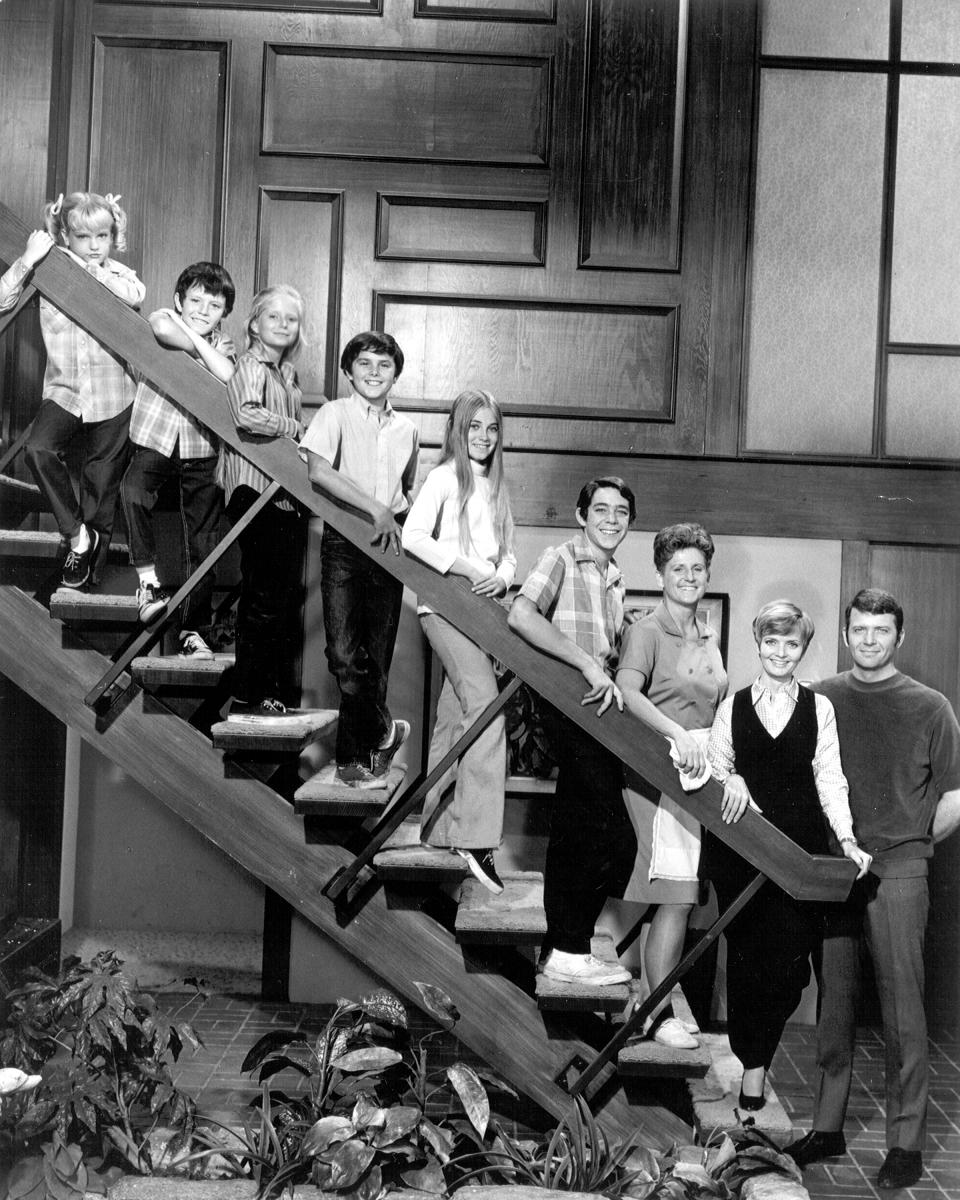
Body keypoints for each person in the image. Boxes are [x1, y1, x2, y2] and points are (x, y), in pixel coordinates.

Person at [784, 589, 960, 1190]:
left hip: (900, 874)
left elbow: (955, 800)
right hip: (834, 872)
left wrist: (906, 842)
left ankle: (905, 1143)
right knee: (834, 1007)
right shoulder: (819, 698)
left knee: (903, 1013)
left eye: (880, 630)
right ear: (845, 631)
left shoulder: (932, 707)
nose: (868, 639)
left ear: (898, 638)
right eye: (859, 628)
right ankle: (828, 1127)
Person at [704, 600, 871, 1110]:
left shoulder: (819, 708)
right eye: (771, 642)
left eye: (791, 643)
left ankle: (755, 1063)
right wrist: (730, 776)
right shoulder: (731, 705)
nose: (781, 652)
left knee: (788, 969)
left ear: (803, 648)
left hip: (799, 858)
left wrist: (845, 840)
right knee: (751, 961)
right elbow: (713, 768)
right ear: (758, 645)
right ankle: (752, 1073)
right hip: (743, 852)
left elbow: (830, 778)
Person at [508, 477, 637, 986]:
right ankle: (567, 946)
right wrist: (586, 663)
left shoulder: (616, 578)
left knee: (593, 826)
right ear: (581, 515)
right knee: (594, 824)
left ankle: (564, 946)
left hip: (595, 712)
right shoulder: (562, 555)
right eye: (600, 509)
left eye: (621, 511)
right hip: (564, 699)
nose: (611, 518)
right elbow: (522, 614)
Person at [616, 523, 727, 1049]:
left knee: (680, 899)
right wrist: (676, 732)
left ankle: (645, 1002)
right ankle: (657, 1015)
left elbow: (714, 703)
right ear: (660, 573)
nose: (688, 576)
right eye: (677, 567)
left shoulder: (706, 633)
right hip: (658, 771)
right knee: (676, 895)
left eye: (697, 568)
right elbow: (627, 693)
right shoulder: (645, 630)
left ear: (707, 574)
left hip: (700, 775)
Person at [402, 389, 517, 894]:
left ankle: (438, 829)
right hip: (445, 608)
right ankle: (476, 839)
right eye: (474, 428)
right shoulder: (445, 477)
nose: (483, 438)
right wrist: (469, 568)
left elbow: (509, 553)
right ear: (457, 429)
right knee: (487, 711)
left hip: (484, 614)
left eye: (491, 429)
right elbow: (413, 537)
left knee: (457, 717)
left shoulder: (496, 487)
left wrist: (503, 576)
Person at [0, 191, 145, 589]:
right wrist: (30, 258)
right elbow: (2, 300)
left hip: (115, 395)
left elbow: (134, 296)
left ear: (112, 237)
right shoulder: (49, 269)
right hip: (64, 390)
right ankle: (77, 537)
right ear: (65, 236)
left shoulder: (120, 275)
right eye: (83, 238)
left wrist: (89, 263)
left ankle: (85, 575)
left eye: (102, 236)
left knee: (101, 486)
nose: (94, 246)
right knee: (38, 449)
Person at [301, 331, 418, 787]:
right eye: (364, 364)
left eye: (384, 365)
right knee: (345, 656)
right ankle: (386, 730)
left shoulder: (407, 430)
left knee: (377, 659)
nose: (374, 372)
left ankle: (357, 762)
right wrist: (375, 508)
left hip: (389, 552)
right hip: (343, 544)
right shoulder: (335, 413)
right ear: (349, 372)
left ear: (395, 375)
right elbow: (317, 470)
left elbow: (407, 493)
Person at [120, 262, 237, 657]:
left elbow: (226, 374)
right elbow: (162, 328)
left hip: (200, 449)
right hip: (154, 438)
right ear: (178, 300)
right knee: (133, 490)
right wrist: (193, 338)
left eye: (215, 306)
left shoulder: (224, 344)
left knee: (201, 539)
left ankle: (193, 631)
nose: (203, 311)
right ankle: (148, 582)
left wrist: (194, 341)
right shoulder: (164, 317)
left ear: (224, 313)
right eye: (196, 301)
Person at [219, 285, 306, 717]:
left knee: (278, 599)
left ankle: (262, 692)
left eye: (291, 319)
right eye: (274, 317)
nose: (284, 325)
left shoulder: (288, 376)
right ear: (254, 323)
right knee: (264, 596)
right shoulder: (250, 364)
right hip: (252, 491)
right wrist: (293, 426)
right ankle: (248, 696)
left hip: (284, 500)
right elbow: (247, 414)